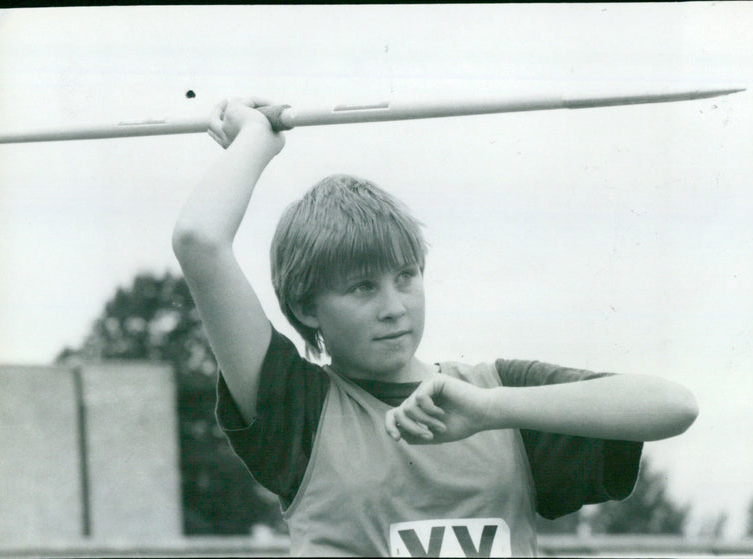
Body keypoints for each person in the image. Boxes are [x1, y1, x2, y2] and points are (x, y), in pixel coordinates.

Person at [173, 97, 699, 557]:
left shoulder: (495, 393)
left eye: (406, 277)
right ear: (308, 308)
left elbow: (674, 406)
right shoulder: (295, 409)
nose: (394, 306)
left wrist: (492, 412)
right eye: (362, 287)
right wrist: (256, 140)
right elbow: (199, 239)